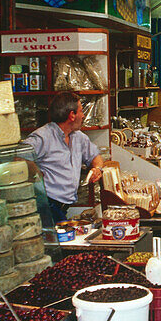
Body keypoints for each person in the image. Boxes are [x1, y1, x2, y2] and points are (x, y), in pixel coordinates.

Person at [25, 92, 105, 224]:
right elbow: (19, 158)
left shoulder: (79, 137)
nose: (84, 115)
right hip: (46, 206)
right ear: (72, 115)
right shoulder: (42, 137)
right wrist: (36, 174)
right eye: (81, 111)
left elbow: (95, 156)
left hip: (63, 208)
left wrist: (98, 168)